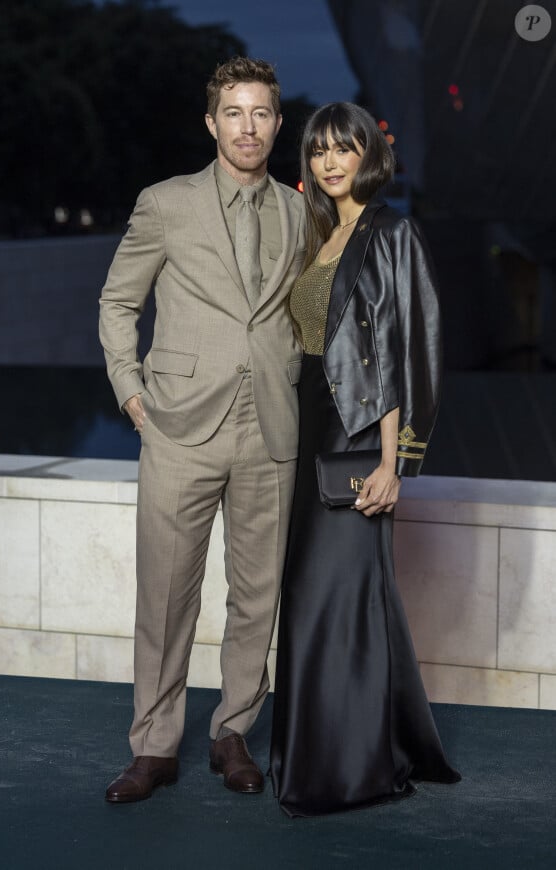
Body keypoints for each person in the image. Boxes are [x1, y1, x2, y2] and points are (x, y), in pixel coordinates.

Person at [99, 57, 305, 803]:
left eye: (261, 114)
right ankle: (153, 748)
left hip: (271, 427)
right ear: (211, 122)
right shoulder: (165, 203)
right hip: (180, 426)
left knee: (258, 595)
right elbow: (117, 303)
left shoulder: (298, 209)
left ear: (277, 124)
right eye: (234, 113)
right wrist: (130, 393)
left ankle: (232, 734)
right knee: (165, 594)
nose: (247, 127)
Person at [270, 102, 461, 817]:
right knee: (314, 596)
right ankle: (348, 749)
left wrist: (394, 462)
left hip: (357, 436)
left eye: (343, 148)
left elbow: (406, 352)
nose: (329, 161)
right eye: (318, 149)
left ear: (368, 155)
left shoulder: (391, 232)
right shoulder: (322, 232)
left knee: (335, 596)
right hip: (306, 430)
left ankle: (346, 770)